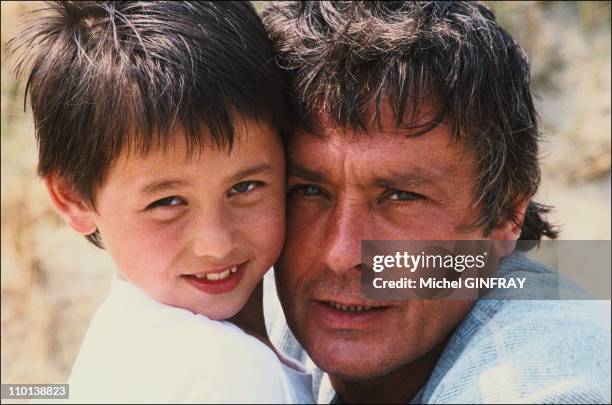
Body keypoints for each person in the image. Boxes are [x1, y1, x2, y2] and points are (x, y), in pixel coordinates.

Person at [261, 2, 611, 403]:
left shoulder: (537, 382)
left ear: (505, 214)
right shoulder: (245, 300)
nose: (341, 254)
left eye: (402, 197)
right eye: (308, 191)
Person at [9, 1, 313, 403]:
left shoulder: (130, 342)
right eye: (168, 202)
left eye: (245, 187)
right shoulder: (217, 373)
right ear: (74, 199)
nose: (216, 244)